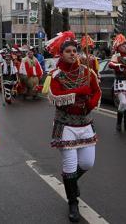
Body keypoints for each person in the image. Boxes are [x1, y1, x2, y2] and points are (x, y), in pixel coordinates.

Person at [43, 31, 101, 222]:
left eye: (74, 50)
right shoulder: (55, 75)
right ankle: (73, 202)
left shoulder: (86, 71)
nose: (72, 53)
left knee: (87, 163)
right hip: (66, 125)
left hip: (85, 124)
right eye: (68, 51)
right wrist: (78, 92)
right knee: (69, 165)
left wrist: (91, 102)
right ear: (61, 54)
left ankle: (71, 182)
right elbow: (55, 97)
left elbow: (96, 91)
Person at [108, 34, 126, 132]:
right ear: (118, 47)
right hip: (120, 81)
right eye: (122, 45)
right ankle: (118, 123)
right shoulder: (116, 56)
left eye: (125, 45)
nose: (125, 47)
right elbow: (110, 64)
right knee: (123, 102)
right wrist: (118, 65)